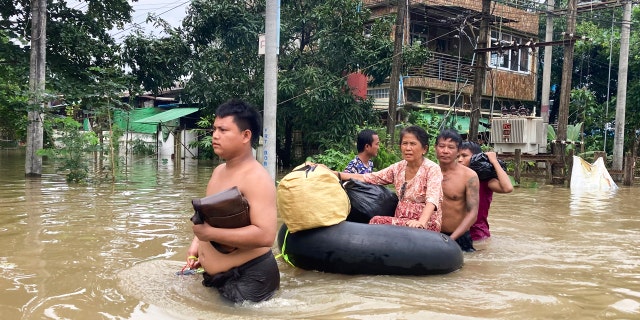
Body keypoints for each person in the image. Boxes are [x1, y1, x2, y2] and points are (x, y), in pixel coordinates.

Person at [185, 99, 280, 303]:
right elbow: (209, 217)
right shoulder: (219, 171)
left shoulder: (257, 178)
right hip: (217, 278)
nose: (215, 136)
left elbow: (265, 235)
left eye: (223, 130)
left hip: (250, 279)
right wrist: (197, 244)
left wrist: (208, 234)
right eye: (214, 129)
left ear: (246, 135)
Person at [332, 125, 443, 231]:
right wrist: (336, 174)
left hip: (424, 223)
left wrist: (421, 222)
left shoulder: (432, 169)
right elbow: (370, 177)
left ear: (424, 148)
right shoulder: (398, 167)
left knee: (376, 221)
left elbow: (432, 200)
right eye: (405, 143)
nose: (408, 148)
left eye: (413, 144)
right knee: (375, 220)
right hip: (400, 220)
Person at [458, 141, 513, 242]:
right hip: (457, 233)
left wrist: (494, 161)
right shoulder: (453, 178)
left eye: (464, 156)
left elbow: (507, 188)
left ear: (476, 158)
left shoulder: (485, 181)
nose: (460, 160)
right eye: (458, 156)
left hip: (477, 235)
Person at [436, 129, 479, 252]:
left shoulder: (469, 176)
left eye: (451, 147)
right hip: (432, 235)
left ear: (458, 151)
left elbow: (473, 213)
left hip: (458, 237)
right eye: (441, 146)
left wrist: (451, 240)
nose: (445, 151)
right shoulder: (428, 172)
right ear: (435, 148)